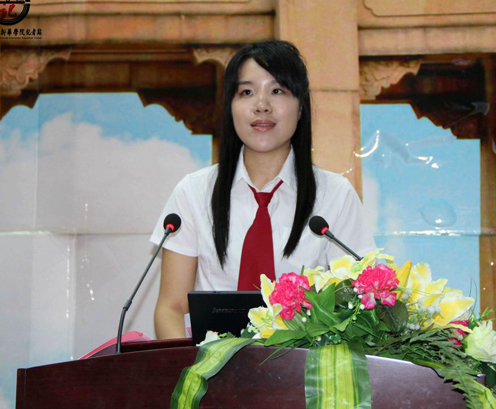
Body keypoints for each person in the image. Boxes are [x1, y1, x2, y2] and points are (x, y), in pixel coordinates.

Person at [150, 40, 375, 339]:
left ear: (301, 107)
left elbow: (358, 306)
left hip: (304, 366)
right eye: (246, 92)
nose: (261, 105)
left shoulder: (335, 195)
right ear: (230, 107)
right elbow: (171, 307)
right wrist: (191, 368)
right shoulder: (194, 192)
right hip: (210, 366)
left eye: (277, 90)